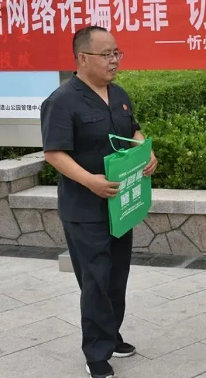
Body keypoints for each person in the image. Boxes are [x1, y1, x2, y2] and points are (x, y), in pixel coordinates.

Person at [40, 26, 158, 378]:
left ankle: (111, 335)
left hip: (120, 205)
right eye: (106, 54)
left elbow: (132, 130)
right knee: (95, 279)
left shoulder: (119, 94)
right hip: (84, 209)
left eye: (117, 53)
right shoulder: (62, 101)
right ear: (82, 58)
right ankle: (96, 354)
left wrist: (145, 150)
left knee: (116, 276)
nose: (114, 60)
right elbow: (54, 153)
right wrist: (90, 181)